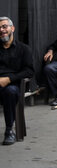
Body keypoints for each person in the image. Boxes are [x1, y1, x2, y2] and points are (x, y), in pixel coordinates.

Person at [0, 17, 34, 145]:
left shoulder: (24, 49)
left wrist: (8, 79)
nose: (2, 30)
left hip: (13, 85)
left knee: (10, 92)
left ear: (12, 28)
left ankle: (9, 130)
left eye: (4, 27)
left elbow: (29, 71)